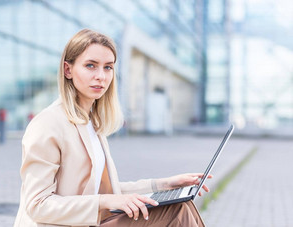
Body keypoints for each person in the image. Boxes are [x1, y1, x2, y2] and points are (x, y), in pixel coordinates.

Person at [14, 28, 211, 227]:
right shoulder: (47, 124)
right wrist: (104, 201)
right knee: (176, 212)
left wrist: (164, 184)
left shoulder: (90, 122)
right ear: (68, 70)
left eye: (108, 67)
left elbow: (110, 193)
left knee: (181, 205)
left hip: (92, 222)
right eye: (91, 66)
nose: (101, 76)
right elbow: (37, 204)